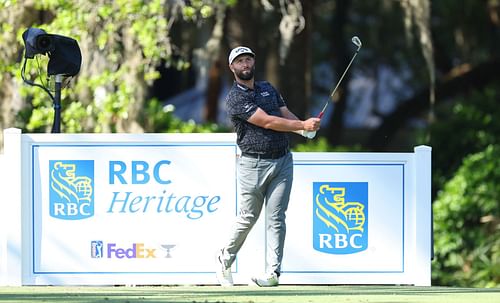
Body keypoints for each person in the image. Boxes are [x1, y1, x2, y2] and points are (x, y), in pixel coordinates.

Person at [215, 46, 321, 287]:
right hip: (253, 164)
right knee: (248, 218)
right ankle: (224, 259)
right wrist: (301, 125)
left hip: (282, 160)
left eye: (248, 60)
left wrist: (304, 129)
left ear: (253, 62)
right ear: (232, 67)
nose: (245, 64)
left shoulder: (268, 88)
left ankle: (273, 273)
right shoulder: (235, 98)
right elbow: (268, 122)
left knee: (276, 218)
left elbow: (283, 113)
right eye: (240, 61)